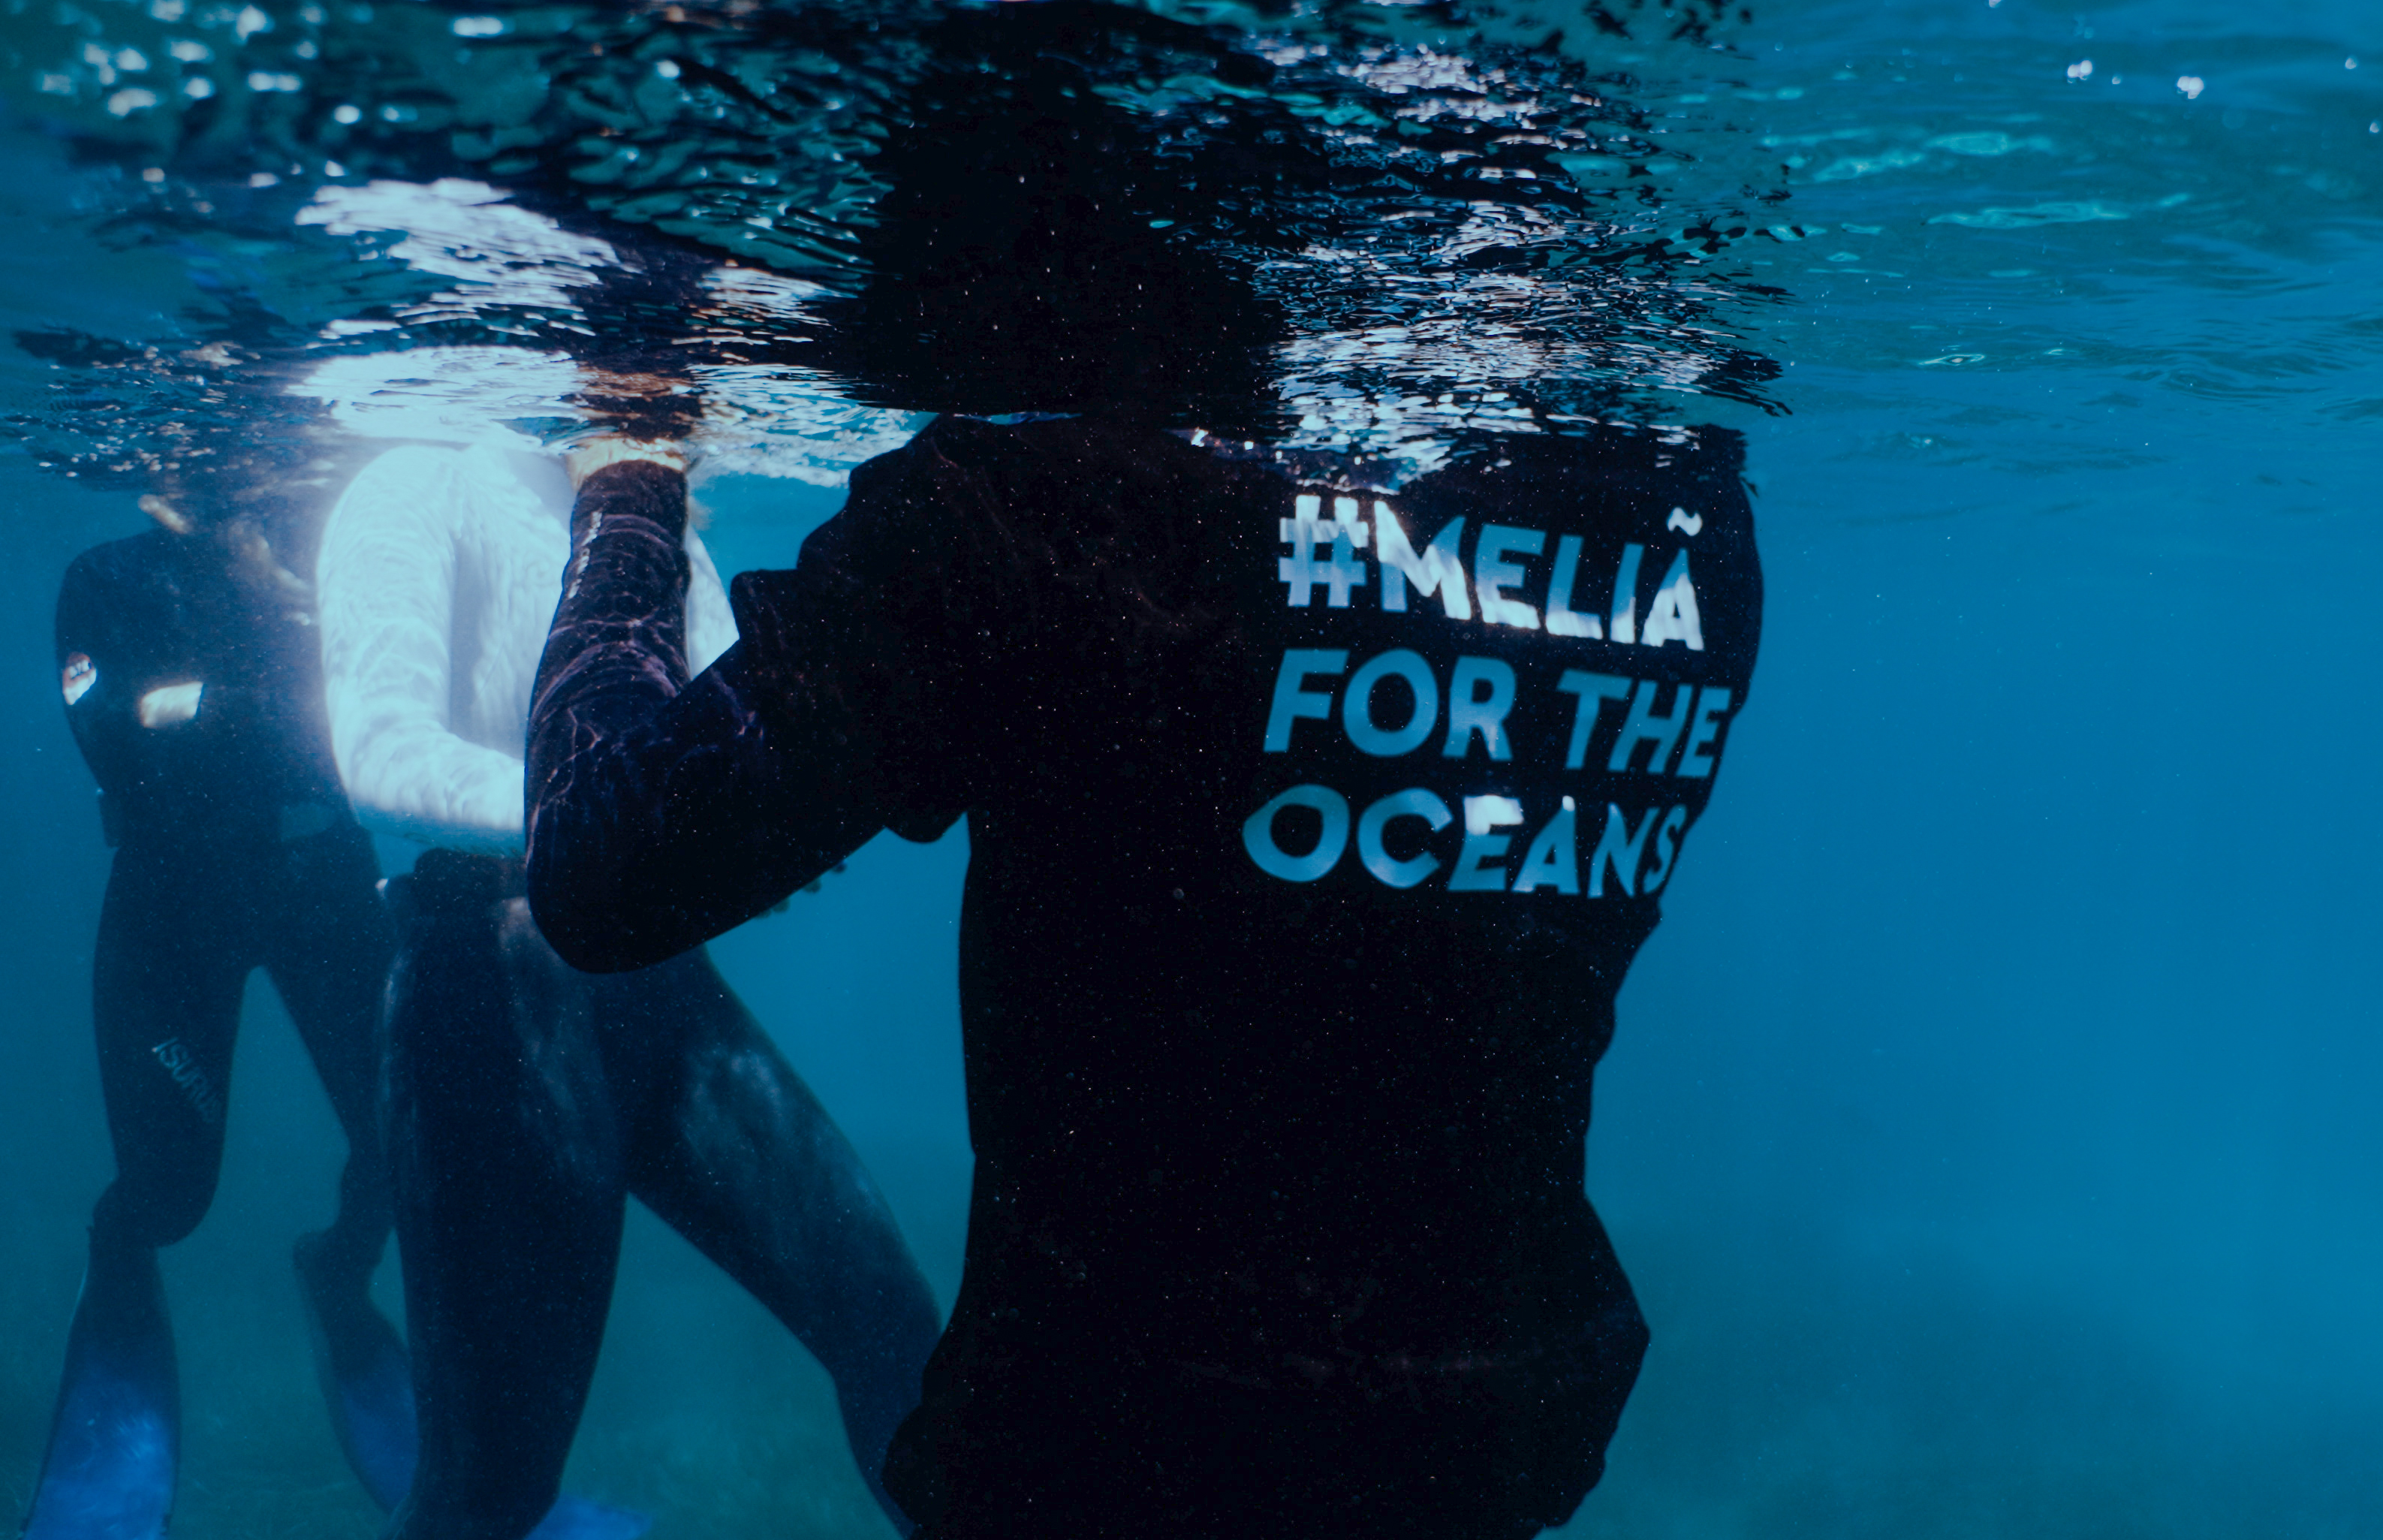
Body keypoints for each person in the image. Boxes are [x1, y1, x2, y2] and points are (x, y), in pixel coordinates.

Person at [526, 409, 1762, 1538]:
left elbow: (606, 869)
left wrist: (631, 479)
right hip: (1486, 1438)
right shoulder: (1683, 513)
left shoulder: (1075, 504)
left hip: (1126, 1460)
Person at [312, 375, 941, 1540]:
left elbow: (722, 749)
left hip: (655, 979)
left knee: (901, 1345)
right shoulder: (415, 484)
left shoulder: (655, 514)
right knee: (490, 1487)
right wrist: (610, 821)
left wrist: (768, 824)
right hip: (483, 984)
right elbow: (379, 760)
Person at [26, 487, 412, 1539]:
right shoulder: (107, 579)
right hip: (172, 906)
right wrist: (270, 701)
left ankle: (339, 1271)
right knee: (168, 1196)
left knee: (405, 1143)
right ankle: (121, 1260)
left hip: (321, 881)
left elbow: (385, 709)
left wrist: (197, 704)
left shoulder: (326, 560)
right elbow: (112, 734)